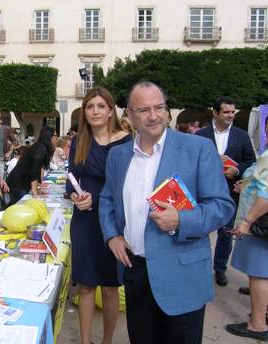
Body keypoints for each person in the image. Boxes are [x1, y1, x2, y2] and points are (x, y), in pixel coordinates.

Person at [99, 81, 235, 344]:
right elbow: (107, 199)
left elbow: (222, 206)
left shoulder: (198, 149)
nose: (153, 116)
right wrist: (112, 235)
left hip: (182, 276)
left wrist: (181, 219)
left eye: (159, 107)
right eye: (144, 110)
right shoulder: (118, 155)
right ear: (129, 114)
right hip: (136, 272)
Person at [67, 88, 130, 344]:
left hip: (113, 220)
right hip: (83, 220)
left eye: (101, 106)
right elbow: (71, 180)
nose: (95, 111)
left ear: (111, 110)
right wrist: (75, 196)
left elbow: (129, 183)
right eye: (90, 106)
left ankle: (106, 341)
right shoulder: (79, 141)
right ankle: (85, 341)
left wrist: (103, 197)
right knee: (85, 285)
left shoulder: (126, 141)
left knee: (111, 287)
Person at [196, 96, 256, 286]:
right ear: (215, 113)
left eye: (233, 112)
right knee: (199, 231)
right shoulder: (201, 135)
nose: (231, 115)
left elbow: (251, 161)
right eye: (226, 112)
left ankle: (220, 269)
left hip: (230, 192)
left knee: (225, 234)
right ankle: (198, 268)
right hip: (202, 192)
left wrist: (237, 169)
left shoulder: (242, 135)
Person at [225, 115, 268, 341]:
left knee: (259, 274)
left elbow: (266, 196)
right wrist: (247, 183)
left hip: (260, 225)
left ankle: (257, 325)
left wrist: (247, 221)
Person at [6, 126, 56, 204]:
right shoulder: (40, 147)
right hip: (18, 183)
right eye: (55, 135)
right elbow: (34, 170)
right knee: (21, 206)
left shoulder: (42, 147)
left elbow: (39, 170)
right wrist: (35, 191)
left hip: (22, 182)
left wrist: (38, 188)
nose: (57, 138)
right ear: (49, 136)